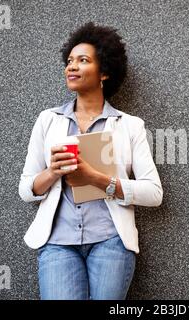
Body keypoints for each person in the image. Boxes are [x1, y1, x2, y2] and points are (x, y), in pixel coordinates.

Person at [18, 22, 163, 300]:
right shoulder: (48, 120)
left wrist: (95, 179)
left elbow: (154, 193)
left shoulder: (129, 125)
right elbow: (26, 189)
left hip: (111, 242)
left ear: (104, 72)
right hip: (57, 243)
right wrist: (52, 172)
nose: (71, 67)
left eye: (83, 61)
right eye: (70, 61)